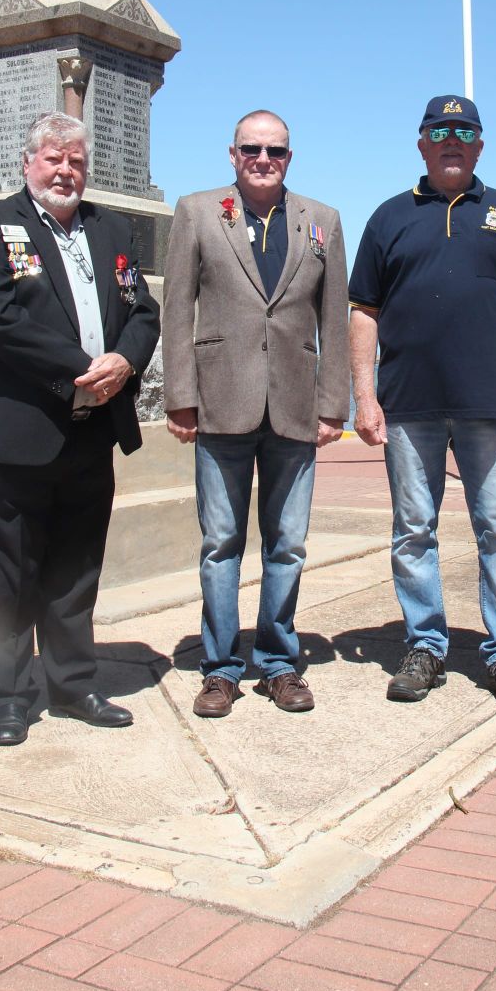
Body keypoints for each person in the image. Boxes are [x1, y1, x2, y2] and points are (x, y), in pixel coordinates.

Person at [0, 112, 160, 746]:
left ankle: (73, 685)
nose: (65, 170)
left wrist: (125, 361)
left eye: (75, 160)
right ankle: (12, 696)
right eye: (53, 158)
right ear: (28, 163)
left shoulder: (111, 228)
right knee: (13, 569)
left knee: (76, 568)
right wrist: (81, 368)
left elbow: (142, 310)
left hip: (90, 430)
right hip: (20, 430)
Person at [349, 96, 496, 709]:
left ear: (479, 145)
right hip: (409, 406)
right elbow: (363, 311)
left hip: (491, 406)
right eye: (439, 130)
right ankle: (425, 645)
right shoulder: (389, 218)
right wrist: (365, 396)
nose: (452, 139)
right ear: (421, 143)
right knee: (414, 531)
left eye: (464, 131)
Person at [162, 110, 349, 718]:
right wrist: (180, 398)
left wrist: (332, 406)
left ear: (290, 157)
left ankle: (278, 662)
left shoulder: (322, 221)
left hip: (295, 406)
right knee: (220, 543)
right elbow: (176, 309)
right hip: (219, 405)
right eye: (253, 149)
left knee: (287, 544)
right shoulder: (196, 212)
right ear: (233, 153)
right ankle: (219, 669)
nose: (264, 159)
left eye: (277, 151)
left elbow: (334, 320)